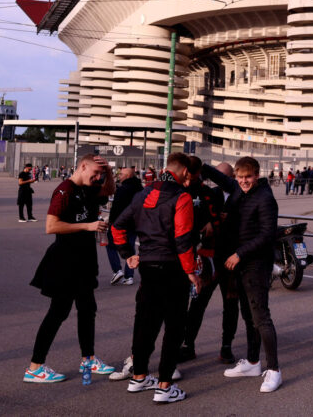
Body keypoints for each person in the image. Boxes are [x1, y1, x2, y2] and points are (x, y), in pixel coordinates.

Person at [112, 152, 199, 404]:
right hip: (173, 269)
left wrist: (128, 254)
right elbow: (183, 240)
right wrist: (191, 272)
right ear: (183, 171)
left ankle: (138, 377)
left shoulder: (142, 194)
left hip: (148, 267)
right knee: (174, 327)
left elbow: (117, 226)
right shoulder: (181, 196)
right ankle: (164, 386)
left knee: (145, 324)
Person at [24, 154, 117, 384]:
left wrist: (108, 171)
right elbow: (50, 226)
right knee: (58, 312)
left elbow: (109, 191)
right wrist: (88, 225)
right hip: (65, 260)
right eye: (95, 173)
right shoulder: (64, 190)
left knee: (87, 310)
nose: (98, 178)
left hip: (85, 260)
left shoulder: (90, 188)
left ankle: (89, 359)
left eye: (100, 175)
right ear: (82, 166)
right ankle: (35, 367)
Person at [222, 156, 282, 393]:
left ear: (257, 176)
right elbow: (220, 177)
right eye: (240, 177)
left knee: (261, 318)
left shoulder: (265, 198)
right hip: (241, 263)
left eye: (248, 177)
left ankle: (274, 370)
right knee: (248, 315)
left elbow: (268, 234)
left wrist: (239, 253)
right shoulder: (241, 192)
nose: (244, 181)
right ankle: (253, 362)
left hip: (256, 263)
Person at [180, 158, 239, 365]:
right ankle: (188, 345)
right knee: (197, 303)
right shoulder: (209, 194)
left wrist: (226, 222)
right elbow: (194, 219)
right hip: (209, 258)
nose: (218, 181)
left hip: (231, 260)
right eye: (216, 176)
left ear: (230, 178)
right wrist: (209, 223)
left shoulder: (241, 196)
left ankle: (226, 347)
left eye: (223, 177)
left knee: (231, 304)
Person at [106, 167, 143, 285]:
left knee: (110, 246)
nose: (119, 176)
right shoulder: (140, 189)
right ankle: (129, 276)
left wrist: (111, 221)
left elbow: (116, 208)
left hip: (121, 223)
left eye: (121, 174)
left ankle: (117, 270)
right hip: (135, 224)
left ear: (127, 176)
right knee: (130, 247)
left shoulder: (122, 190)